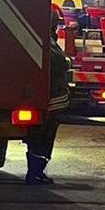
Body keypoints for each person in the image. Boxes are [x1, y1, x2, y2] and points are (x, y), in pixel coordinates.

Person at [25, 11, 71, 185]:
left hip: (52, 99)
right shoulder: (47, 43)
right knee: (43, 137)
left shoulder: (45, 40)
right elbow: (57, 64)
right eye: (56, 23)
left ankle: (37, 171)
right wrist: (66, 63)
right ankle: (35, 172)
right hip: (52, 100)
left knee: (41, 137)